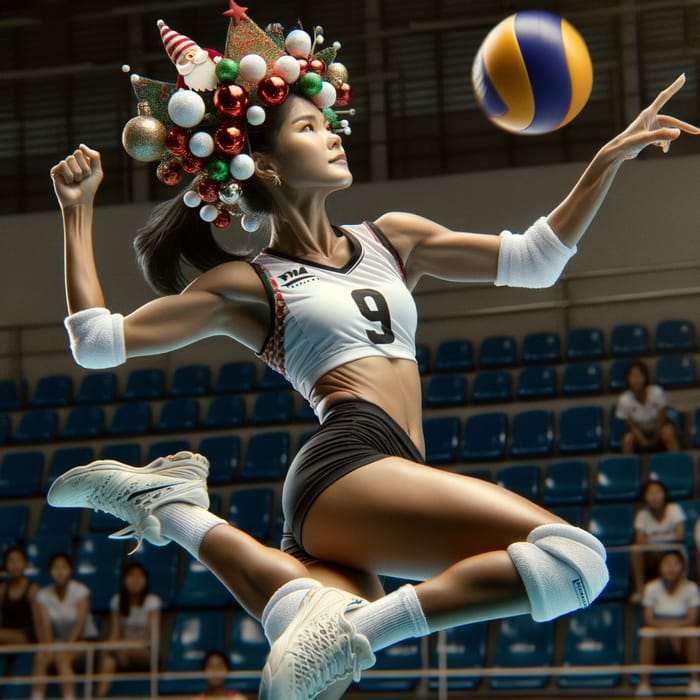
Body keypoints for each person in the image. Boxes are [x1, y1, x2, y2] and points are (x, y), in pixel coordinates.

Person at [45, 5, 700, 699]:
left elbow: (535, 260)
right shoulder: (248, 281)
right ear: (262, 162)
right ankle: (360, 633)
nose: (330, 136)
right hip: (350, 458)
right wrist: (76, 211)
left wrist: (603, 163)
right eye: (308, 127)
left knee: (305, 634)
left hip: (385, 471)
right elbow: (96, 341)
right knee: (576, 561)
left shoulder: (393, 238)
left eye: (326, 122)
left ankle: (173, 507)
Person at [31, 553, 98, 700]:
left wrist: (67, 647)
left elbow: (79, 625)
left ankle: (69, 697)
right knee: (40, 656)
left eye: (63, 567)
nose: (59, 571)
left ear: (70, 570)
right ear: (50, 571)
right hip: (58, 642)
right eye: (56, 568)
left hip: (83, 641)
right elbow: (45, 625)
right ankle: (36, 697)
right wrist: (48, 648)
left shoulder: (81, 591)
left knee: (62, 658)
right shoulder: (43, 595)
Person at [636, 550, 700, 697]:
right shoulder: (651, 588)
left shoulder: (691, 588)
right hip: (660, 637)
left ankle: (695, 681)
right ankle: (644, 683)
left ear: (683, 568)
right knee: (647, 635)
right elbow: (649, 619)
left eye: (676, 563)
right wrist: (670, 631)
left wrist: (673, 631)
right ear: (660, 567)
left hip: (682, 638)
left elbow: (692, 619)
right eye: (667, 563)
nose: (671, 568)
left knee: (692, 634)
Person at [96, 562, 161, 698]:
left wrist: (124, 645)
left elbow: (152, 638)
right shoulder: (117, 600)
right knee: (108, 660)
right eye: (131, 576)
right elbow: (114, 633)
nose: (135, 580)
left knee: (117, 650)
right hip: (122, 649)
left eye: (139, 576)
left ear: (145, 580)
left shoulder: (152, 601)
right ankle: (99, 696)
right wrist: (108, 646)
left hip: (146, 650)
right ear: (124, 580)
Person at [630, 480, 686, 603]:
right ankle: (640, 590)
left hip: (673, 552)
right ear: (645, 497)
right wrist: (666, 537)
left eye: (658, 492)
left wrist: (652, 539)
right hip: (652, 554)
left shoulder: (674, 509)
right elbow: (639, 540)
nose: (654, 496)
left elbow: (680, 535)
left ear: (664, 494)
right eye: (650, 493)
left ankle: (682, 590)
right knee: (635, 550)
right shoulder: (642, 515)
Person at [616, 360, 680, 454]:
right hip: (639, 432)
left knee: (668, 432)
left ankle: (676, 463)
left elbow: (662, 418)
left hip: (659, 428)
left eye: (638, 376)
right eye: (632, 377)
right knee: (627, 440)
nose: (635, 380)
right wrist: (641, 439)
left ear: (645, 377)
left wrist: (655, 437)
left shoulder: (657, 392)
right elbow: (631, 426)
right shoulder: (623, 400)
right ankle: (628, 467)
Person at [0, 546, 38, 644]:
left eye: (18, 561)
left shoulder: (32, 589)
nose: (15, 565)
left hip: (25, 635)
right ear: (6, 565)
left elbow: (38, 621)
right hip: (5, 634)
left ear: (24, 564)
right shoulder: (3, 589)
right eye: (11, 561)